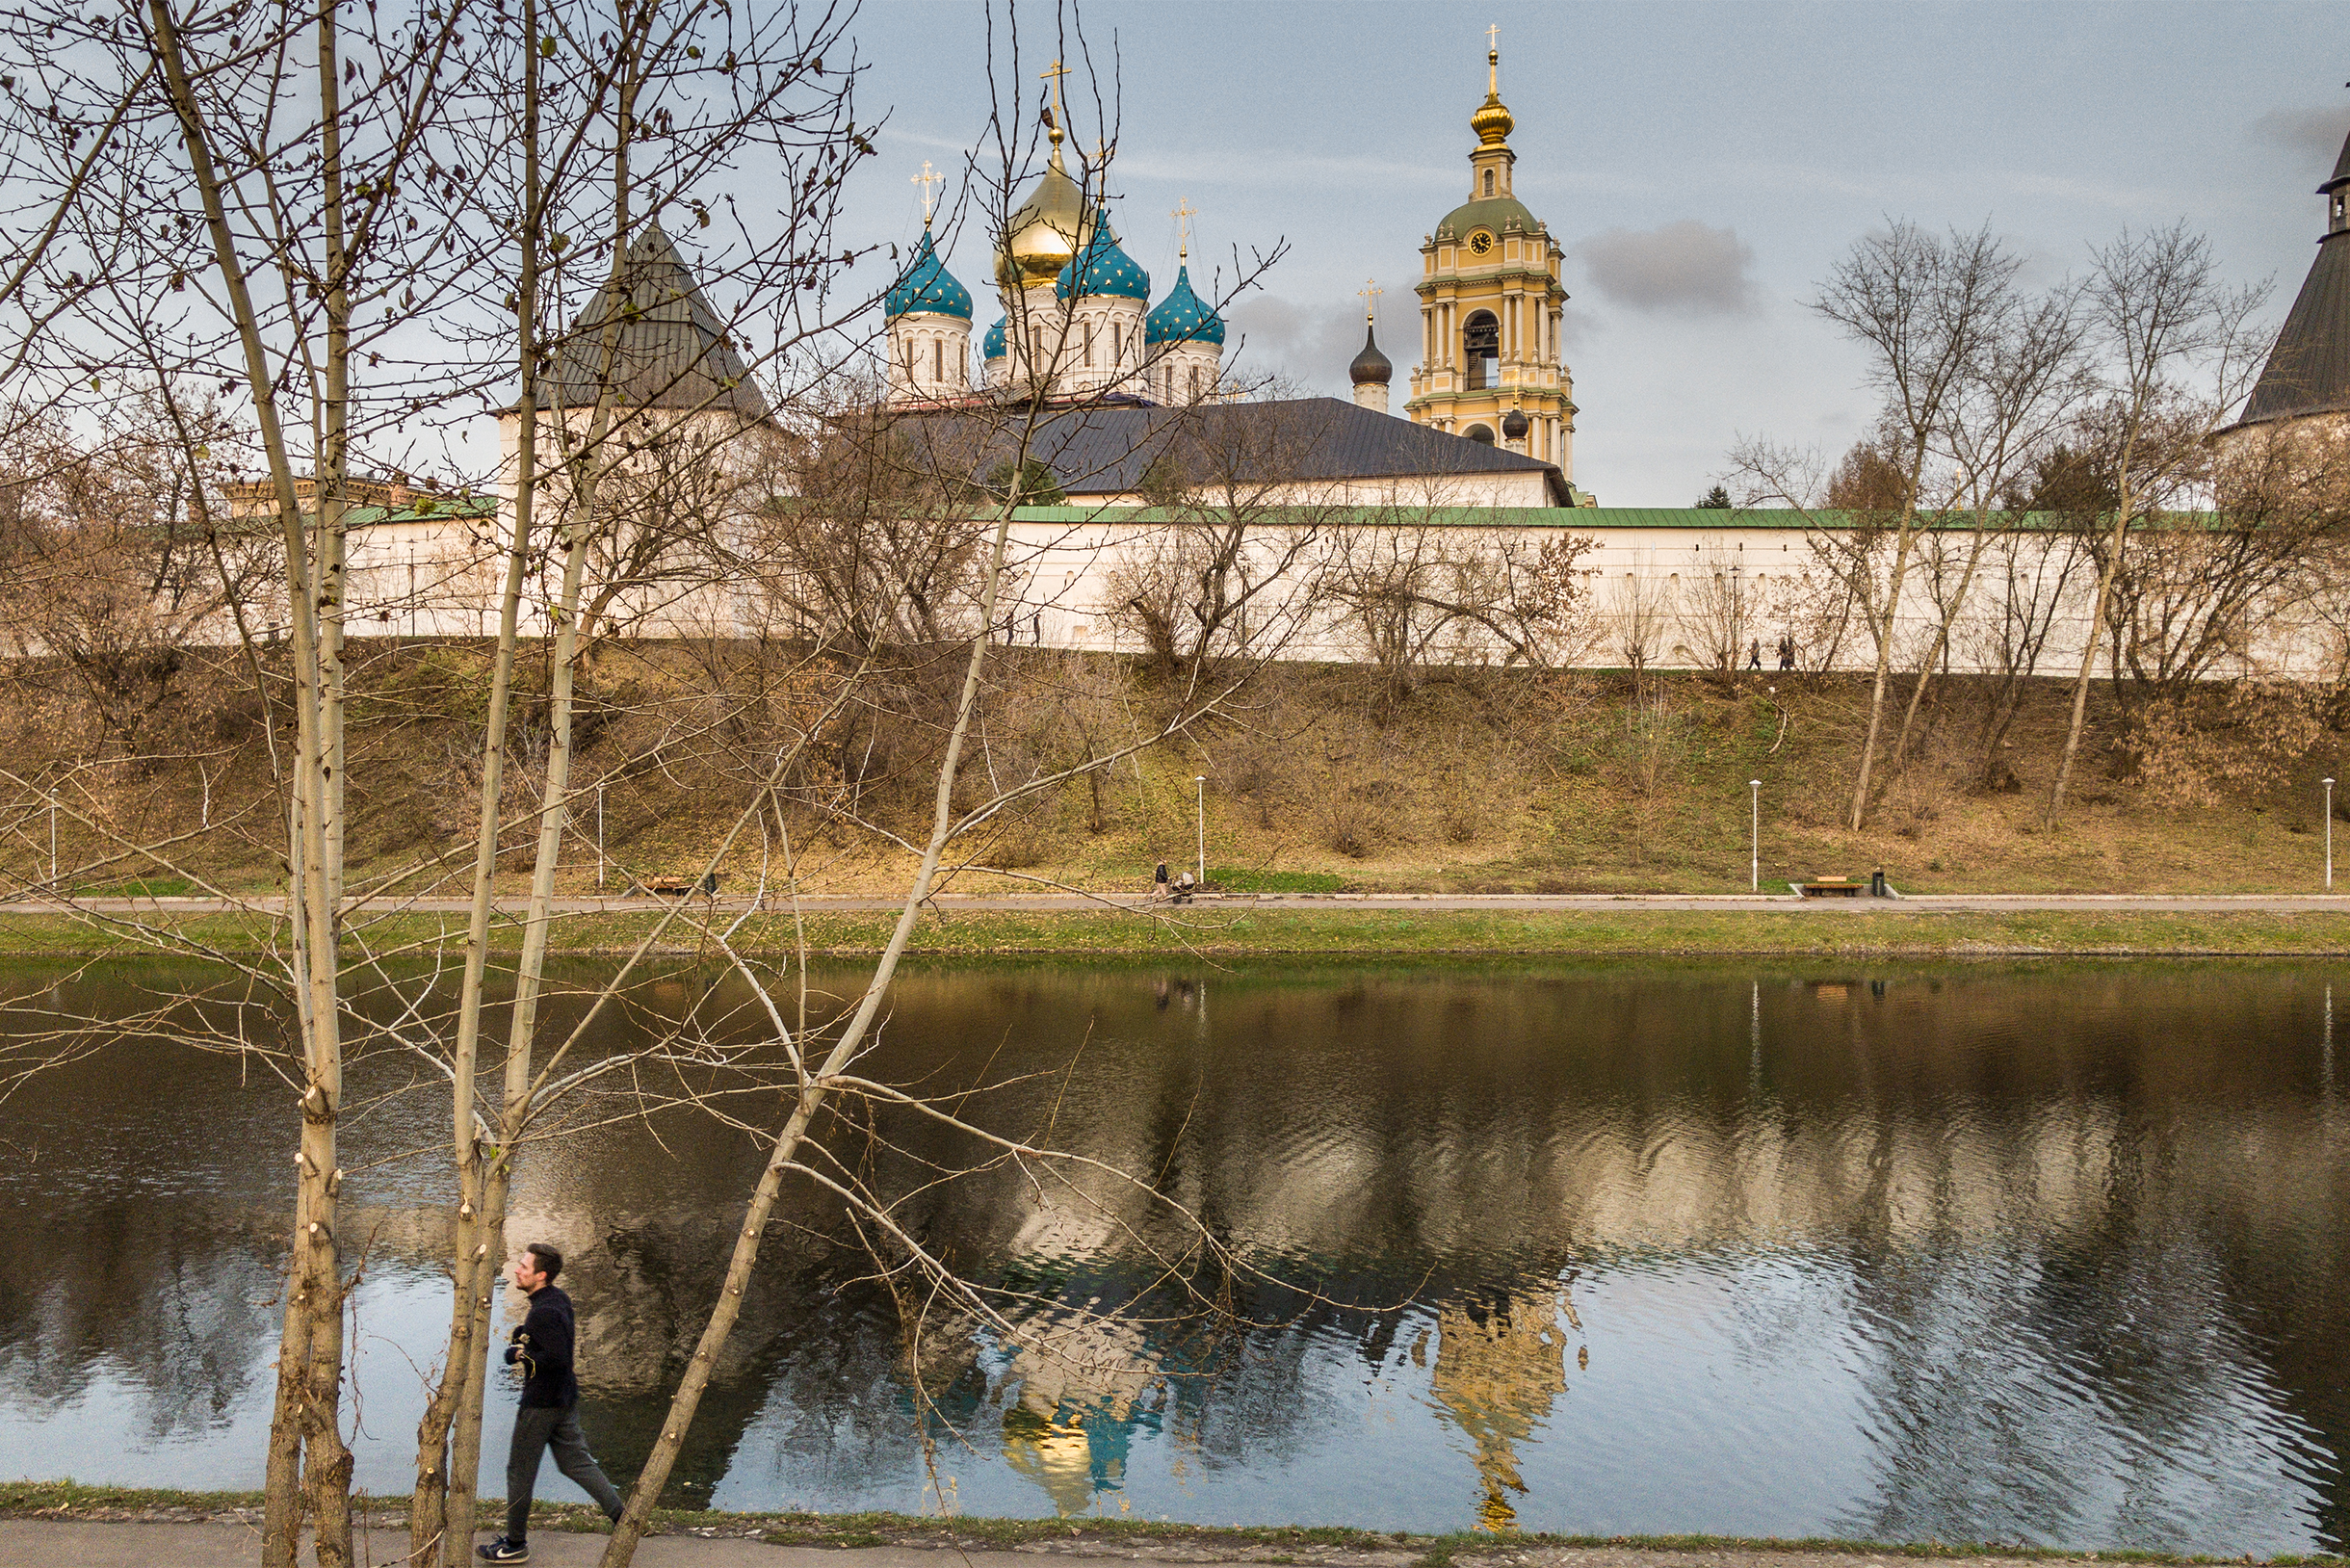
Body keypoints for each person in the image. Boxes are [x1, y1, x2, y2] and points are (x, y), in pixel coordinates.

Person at [476, 1242, 626, 1564]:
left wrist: (519, 1353)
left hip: (541, 1404)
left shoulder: (543, 1311)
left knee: (519, 1472)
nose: (517, 1269)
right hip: (565, 1399)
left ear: (540, 1275)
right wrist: (524, 1335)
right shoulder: (556, 1299)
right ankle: (624, 1520)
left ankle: (515, 1545)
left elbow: (555, 1358)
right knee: (576, 1463)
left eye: (524, 1267)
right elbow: (553, 1342)